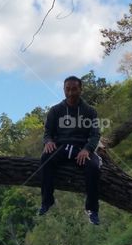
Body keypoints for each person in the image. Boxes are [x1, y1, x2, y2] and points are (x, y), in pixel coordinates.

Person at [38, 75, 103, 224]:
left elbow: (95, 134)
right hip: (61, 147)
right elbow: (48, 132)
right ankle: (47, 201)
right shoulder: (55, 111)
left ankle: (92, 209)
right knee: (45, 159)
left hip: (81, 148)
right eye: (68, 89)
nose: (71, 93)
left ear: (80, 89)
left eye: (74, 89)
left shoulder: (90, 111)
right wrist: (48, 142)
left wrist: (87, 149)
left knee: (93, 167)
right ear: (63, 90)